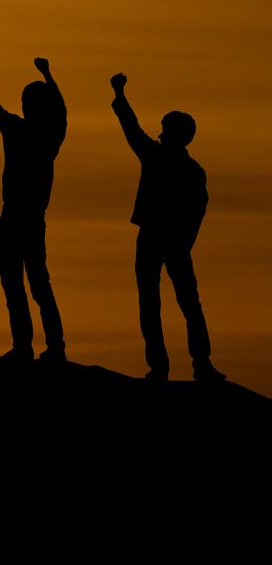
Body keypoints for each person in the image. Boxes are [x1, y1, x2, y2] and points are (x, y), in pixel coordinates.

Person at [111, 72, 222, 382]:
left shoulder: (163, 160)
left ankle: (184, 365)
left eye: (165, 128)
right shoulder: (187, 168)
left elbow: (131, 129)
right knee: (174, 301)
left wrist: (120, 95)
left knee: (162, 302)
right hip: (168, 240)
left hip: (160, 238)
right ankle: (190, 364)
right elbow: (198, 212)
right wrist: (119, 97)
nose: (161, 132)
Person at [0, 46, 68, 364]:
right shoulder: (41, 134)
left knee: (32, 285)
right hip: (15, 217)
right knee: (21, 286)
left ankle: (48, 347)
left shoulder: (36, 134)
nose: (27, 106)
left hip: (24, 219)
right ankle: (30, 347)